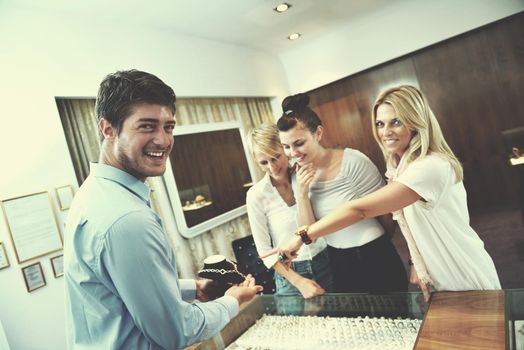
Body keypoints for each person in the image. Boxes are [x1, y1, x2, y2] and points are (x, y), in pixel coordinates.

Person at [64, 69, 262, 350]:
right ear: (108, 129)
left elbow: (121, 291)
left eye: (168, 127)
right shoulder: (126, 219)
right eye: (146, 126)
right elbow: (177, 331)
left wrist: (195, 288)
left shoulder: (93, 194)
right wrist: (234, 300)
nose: (163, 140)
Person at [271, 85, 501, 302]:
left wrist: (301, 237)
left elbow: (359, 210)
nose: (386, 132)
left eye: (396, 122)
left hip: (460, 265)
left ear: (416, 122)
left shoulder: (429, 167)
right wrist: (415, 263)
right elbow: (411, 227)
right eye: (380, 124)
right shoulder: (400, 167)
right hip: (436, 270)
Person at [271, 93, 409, 294]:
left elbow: (388, 214)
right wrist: (301, 193)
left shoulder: (353, 161)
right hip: (337, 260)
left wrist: (380, 247)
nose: (293, 153)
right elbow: (310, 232)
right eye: (286, 147)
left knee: (396, 320)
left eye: (299, 143)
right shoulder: (297, 175)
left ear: (318, 133)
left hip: (374, 254)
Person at [246, 123, 333, 298]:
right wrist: (299, 282)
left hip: (326, 260)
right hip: (290, 275)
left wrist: (302, 192)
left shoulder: (306, 174)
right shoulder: (256, 195)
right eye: (264, 162)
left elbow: (313, 229)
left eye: (276, 157)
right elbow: (264, 251)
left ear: (285, 149)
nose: (272, 167)